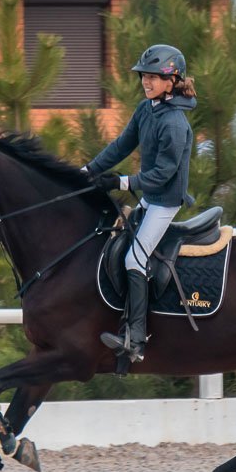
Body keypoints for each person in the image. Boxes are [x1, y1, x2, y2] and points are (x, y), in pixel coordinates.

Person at [83, 44, 196, 363]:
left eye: (153, 77)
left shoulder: (174, 122)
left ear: (172, 80)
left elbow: (163, 174)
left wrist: (121, 182)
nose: (146, 82)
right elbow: (121, 145)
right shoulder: (147, 110)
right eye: (144, 76)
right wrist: (88, 170)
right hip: (150, 198)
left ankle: (137, 339)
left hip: (165, 203)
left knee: (134, 260)